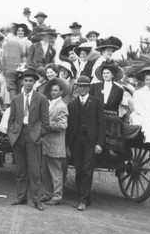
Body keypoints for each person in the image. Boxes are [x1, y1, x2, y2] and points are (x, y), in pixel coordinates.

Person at [8, 68, 50, 211]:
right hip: (18, 135)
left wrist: (38, 135)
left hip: (33, 136)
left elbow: (46, 122)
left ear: (34, 82)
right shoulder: (16, 99)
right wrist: (11, 134)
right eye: (25, 80)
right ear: (22, 82)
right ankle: (21, 197)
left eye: (31, 81)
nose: (28, 83)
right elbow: (11, 119)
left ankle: (37, 200)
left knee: (34, 171)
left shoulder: (41, 99)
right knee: (20, 169)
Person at [66, 76, 105, 211]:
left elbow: (101, 124)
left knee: (87, 170)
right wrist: (67, 145)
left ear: (89, 87)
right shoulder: (72, 105)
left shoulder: (96, 102)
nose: (82, 89)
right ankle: (84, 198)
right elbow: (69, 127)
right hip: (76, 141)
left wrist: (99, 143)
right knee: (78, 170)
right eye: (80, 86)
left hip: (90, 141)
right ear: (76, 87)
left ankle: (82, 200)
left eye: (85, 86)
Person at [41, 78, 69, 205]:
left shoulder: (62, 106)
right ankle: (48, 194)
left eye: (56, 90)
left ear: (61, 92)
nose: (53, 92)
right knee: (45, 171)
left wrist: (47, 124)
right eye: (52, 90)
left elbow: (62, 125)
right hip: (47, 143)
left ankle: (57, 196)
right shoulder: (51, 103)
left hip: (56, 144)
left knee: (56, 172)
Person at [89, 63, 125, 155]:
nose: (105, 75)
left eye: (108, 73)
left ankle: (111, 147)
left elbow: (117, 105)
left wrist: (114, 114)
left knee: (115, 120)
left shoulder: (119, 90)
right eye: (104, 73)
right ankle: (93, 145)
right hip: (96, 111)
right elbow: (91, 100)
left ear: (113, 75)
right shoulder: (95, 86)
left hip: (111, 112)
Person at [0, 24, 24, 104]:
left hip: (9, 69)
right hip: (19, 68)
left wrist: (3, 70)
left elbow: (3, 57)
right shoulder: (18, 41)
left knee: (11, 87)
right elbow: (22, 55)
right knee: (19, 87)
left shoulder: (6, 42)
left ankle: (15, 105)